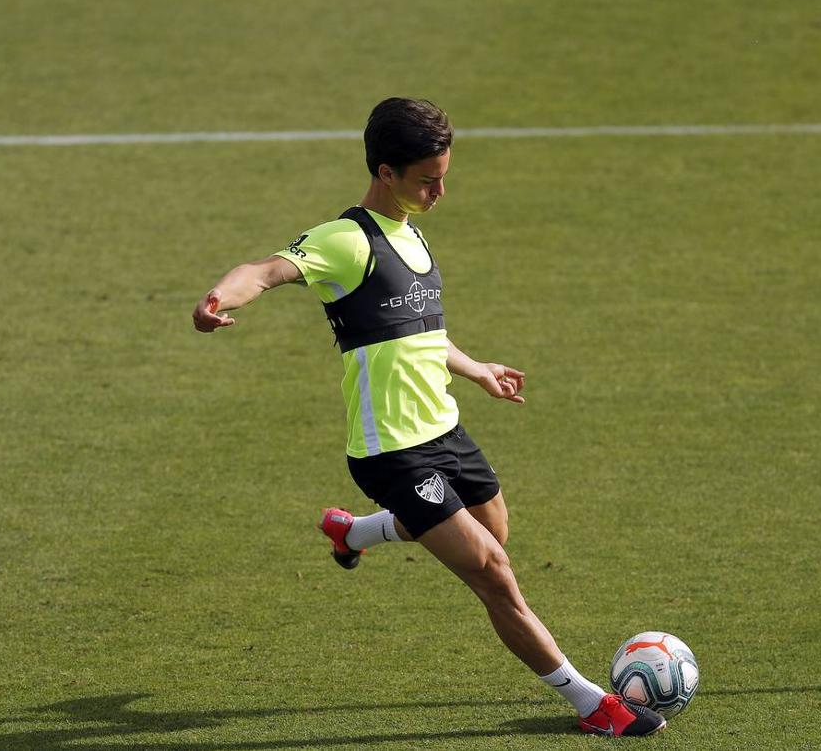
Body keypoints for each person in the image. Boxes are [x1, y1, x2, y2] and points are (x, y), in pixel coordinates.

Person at [191, 97, 664, 737]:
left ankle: (352, 534)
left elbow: (415, 331)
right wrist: (220, 297)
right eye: (426, 179)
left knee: (494, 533)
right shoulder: (345, 239)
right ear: (385, 172)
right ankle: (591, 705)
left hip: (445, 430)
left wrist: (476, 370)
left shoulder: (412, 230)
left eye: (444, 176)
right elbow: (266, 270)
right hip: (392, 451)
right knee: (493, 574)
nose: (439, 191)